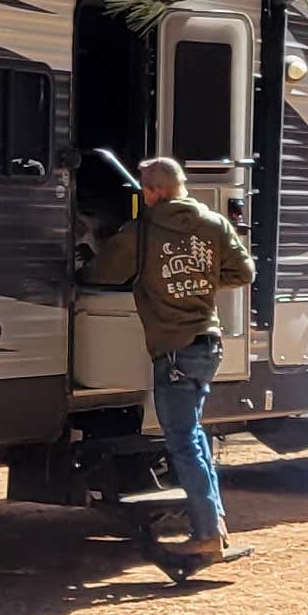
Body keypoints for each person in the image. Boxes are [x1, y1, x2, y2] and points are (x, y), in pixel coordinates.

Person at [83, 154, 259, 562]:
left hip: (175, 350)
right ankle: (214, 524)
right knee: (193, 436)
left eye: (144, 189)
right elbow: (244, 272)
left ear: (154, 191)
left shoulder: (142, 232)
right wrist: (202, 283)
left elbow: (99, 274)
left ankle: (207, 534)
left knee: (182, 441)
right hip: (207, 344)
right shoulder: (213, 223)